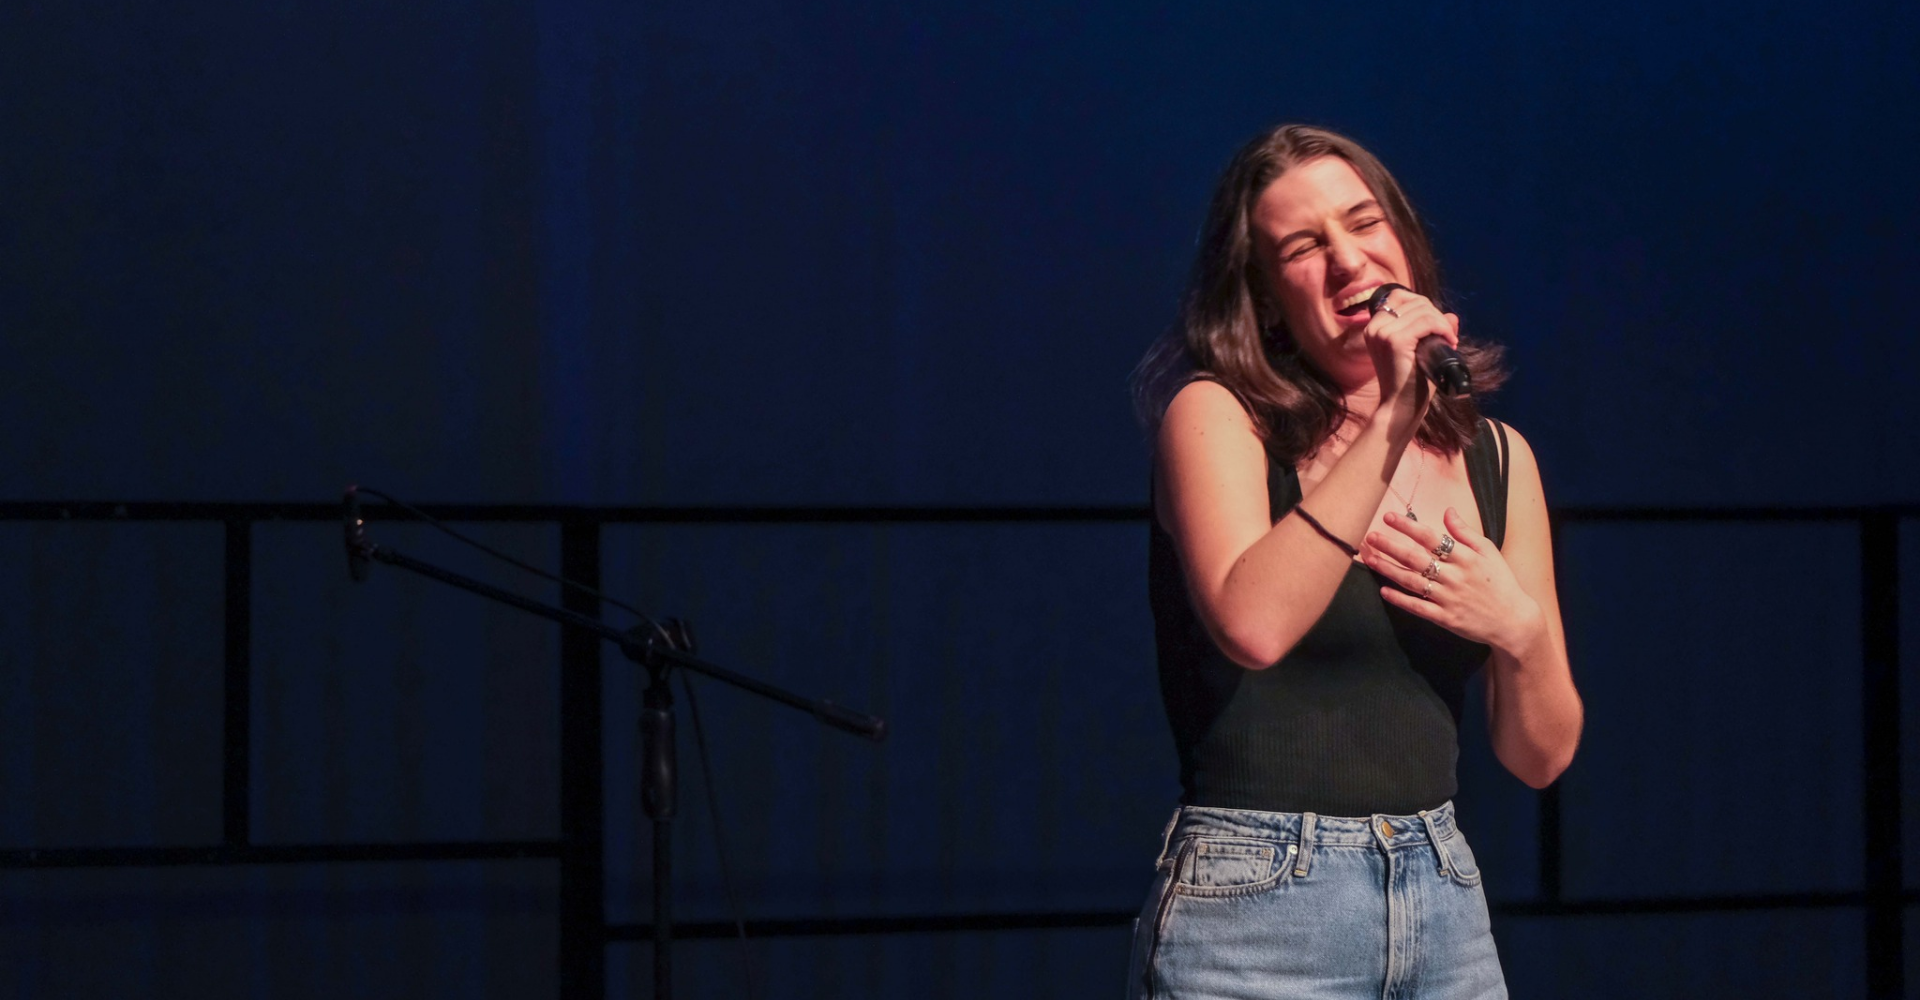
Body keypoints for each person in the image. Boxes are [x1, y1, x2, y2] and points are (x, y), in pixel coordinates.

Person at [1124, 124, 1583, 999]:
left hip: (1442, 896)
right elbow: (1252, 625)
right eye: (1304, 246)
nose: (1347, 260)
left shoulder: (1498, 457)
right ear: (1263, 297)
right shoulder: (1219, 416)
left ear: (1404, 240)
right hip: (1257, 906)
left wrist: (1519, 630)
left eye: (1364, 223)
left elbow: (1541, 758)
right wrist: (1391, 418)